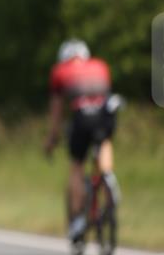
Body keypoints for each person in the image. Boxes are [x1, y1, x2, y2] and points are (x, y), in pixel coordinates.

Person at [44, 39, 119, 243]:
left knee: (77, 165)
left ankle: (77, 222)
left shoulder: (60, 71)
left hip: (81, 116)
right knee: (104, 142)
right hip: (106, 114)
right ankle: (108, 177)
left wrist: (52, 138)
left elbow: (57, 111)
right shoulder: (100, 65)